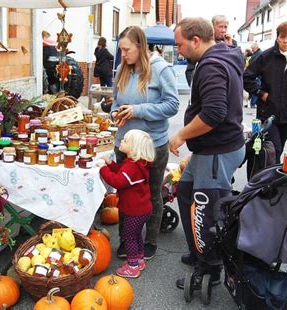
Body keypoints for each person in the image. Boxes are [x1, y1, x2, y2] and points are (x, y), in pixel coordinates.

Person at [171, 17, 245, 289]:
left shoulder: (212, 65)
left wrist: (181, 134)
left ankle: (211, 268)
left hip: (217, 150)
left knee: (206, 209)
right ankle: (198, 252)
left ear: (196, 40)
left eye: (180, 45)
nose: (178, 50)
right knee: (185, 191)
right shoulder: (218, 57)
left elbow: (214, 113)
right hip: (212, 149)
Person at [111, 25, 179, 260]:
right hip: (125, 145)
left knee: (151, 194)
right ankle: (126, 239)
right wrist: (115, 114)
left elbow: (172, 105)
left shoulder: (160, 69)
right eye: (120, 50)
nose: (123, 55)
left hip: (152, 146)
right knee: (124, 193)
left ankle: (150, 240)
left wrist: (138, 110)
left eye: (127, 50)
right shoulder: (122, 69)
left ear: (140, 46)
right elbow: (114, 102)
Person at [243, 21, 287, 163]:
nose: (285, 41)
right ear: (277, 37)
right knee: (273, 148)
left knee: (279, 148)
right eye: (282, 37)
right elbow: (247, 77)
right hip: (268, 112)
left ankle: (270, 178)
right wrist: (261, 93)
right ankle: (269, 180)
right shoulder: (266, 56)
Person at [99, 129, 155, 278]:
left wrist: (103, 169)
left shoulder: (132, 166)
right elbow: (122, 173)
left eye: (125, 140)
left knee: (129, 236)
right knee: (137, 235)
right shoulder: (136, 163)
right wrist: (111, 164)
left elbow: (117, 181)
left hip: (134, 210)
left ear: (133, 148)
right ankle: (140, 259)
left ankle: (132, 266)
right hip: (143, 208)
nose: (121, 141)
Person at [185, 14, 237, 86]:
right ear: (212, 27)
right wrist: (196, 86)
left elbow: (237, 66)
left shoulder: (232, 43)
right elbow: (190, 69)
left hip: (225, 85)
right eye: (220, 27)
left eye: (225, 27)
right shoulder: (203, 42)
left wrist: (230, 47)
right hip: (205, 84)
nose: (223, 30)